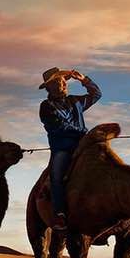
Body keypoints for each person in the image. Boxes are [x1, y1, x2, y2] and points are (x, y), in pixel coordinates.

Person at [38, 67, 101, 231]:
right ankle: (60, 214)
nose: (63, 83)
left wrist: (84, 80)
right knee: (57, 175)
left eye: (63, 80)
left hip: (83, 146)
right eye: (58, 81)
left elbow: (96, 95)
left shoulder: (75, 101)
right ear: (50, 87)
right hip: (63, 149)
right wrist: (84, 133)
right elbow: (59, 127)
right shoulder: (46, 107)